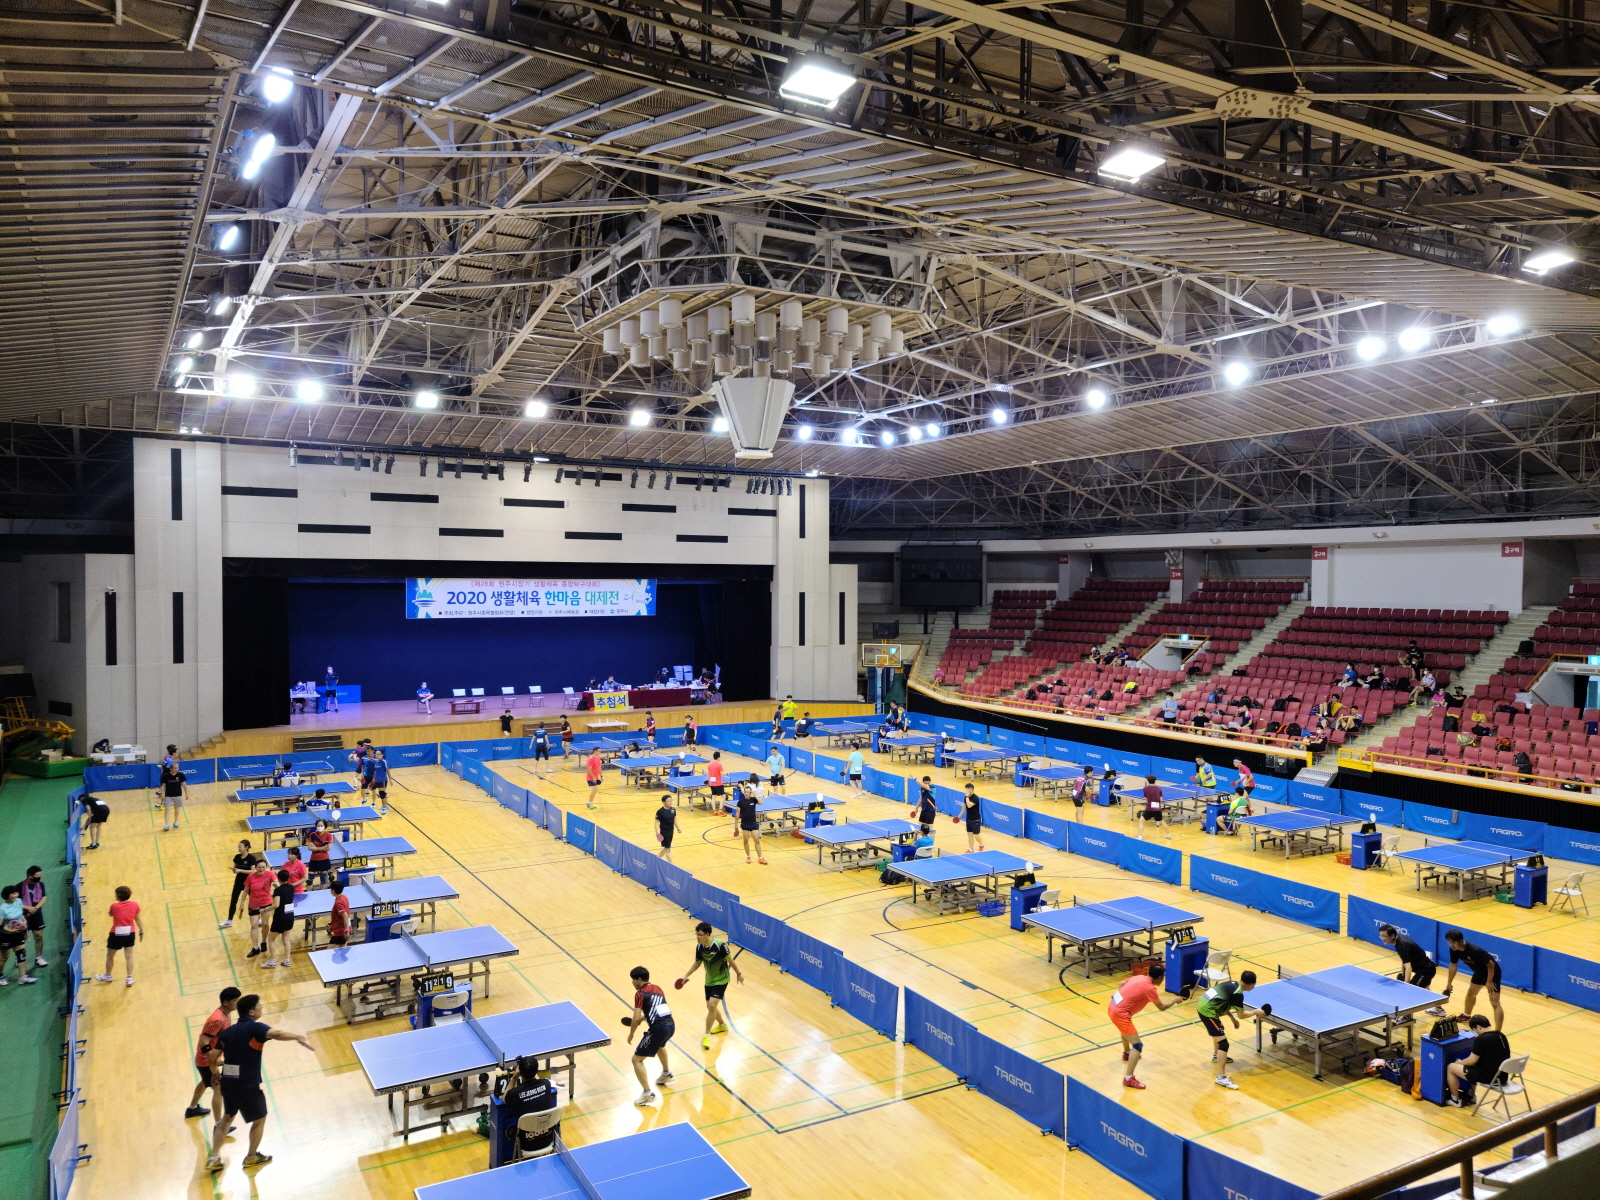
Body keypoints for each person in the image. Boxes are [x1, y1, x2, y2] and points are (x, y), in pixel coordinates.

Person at [205, 993, 314, 1172]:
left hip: (229, 1081)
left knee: (227, 1118)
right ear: (251, 1012)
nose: (261, 1009)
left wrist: (214, 1073)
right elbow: (277, 1034)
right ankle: (251, 1157)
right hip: (247, 1083)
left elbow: (212, 1058)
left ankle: (214, 1157)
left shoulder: (227, 1032)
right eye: (259, 1007)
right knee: (259, 1120)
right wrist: (297, 1037)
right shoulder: (255, 1028)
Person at [1108, 963, 1185, 1089]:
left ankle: (1127, 1053)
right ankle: (1128, 1079)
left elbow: (1121, 984)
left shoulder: (1140, 977)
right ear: (1159, 978)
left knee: (1126, 1031)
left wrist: (1124, 999)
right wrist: (1174, 1000)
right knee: (1137, 1045)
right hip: (1120, 1014)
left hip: (1112, 1007)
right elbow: (1161, 1007)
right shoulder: (1150, 988)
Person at [681, 921, 744, 1049]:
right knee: (710, 1007)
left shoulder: (720, 946)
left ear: (708, 934)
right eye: (696, 934)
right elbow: (697, 963)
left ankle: (706, 1036)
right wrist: (686, 975)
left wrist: (739, 973)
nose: (698, 937)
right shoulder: (699, 948)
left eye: (700, 934)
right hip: (709, 980)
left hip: (722, 979)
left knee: (711, 1005)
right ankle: (722, 1025)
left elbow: (730, 960)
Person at [1196, 970, 1259, 1090]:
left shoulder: (1232, 984)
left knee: (1219, 1032)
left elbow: (1223, 1001)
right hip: (1207, 1012)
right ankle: (1221, 1077)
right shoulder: (1238, 994)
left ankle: (1216, 1056)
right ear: (1251, 985)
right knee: (1223, 1044)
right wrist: (1255, 1012)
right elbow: (1242, 1015)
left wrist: (1231, 1017)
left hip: (1204, 1004)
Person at [185, 987, 241, 1119]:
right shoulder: (217, 1019)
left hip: (212, 1059)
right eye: (235, 1001)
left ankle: (192, 1109)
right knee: (219, 1090)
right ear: (226, 1003)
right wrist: (213, 1061)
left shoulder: (227, 1014)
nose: (238, 1003)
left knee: (205, 1082)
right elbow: (203, 1041)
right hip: (206, 1062)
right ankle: (218, 1125)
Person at [625, 966, 675, 1107]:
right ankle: (666, 1074)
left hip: (658, 1029)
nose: (632, 983)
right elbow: (658, 1010)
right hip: (670, 1026)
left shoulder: (640, 994)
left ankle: (647, 1094)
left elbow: (635, 1018)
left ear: (639, 979)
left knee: (636, 1060)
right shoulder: (657, 988)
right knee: (660, 1046)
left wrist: (631, 1033)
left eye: (633, 980)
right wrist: (643, 1019)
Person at [499, 1057, 562, 1157]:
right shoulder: (546, 1084)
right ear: (536, 1071)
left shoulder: (515, 1093)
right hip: (548, 1139)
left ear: (520, 1072)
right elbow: (537, 1081)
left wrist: (515, 1077)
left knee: (509, 1128)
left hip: (526, 1144)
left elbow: (505, 1098)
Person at [1378, 924, 1447, 1014]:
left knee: (1411, 993)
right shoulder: (1398, 940)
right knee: (1426, 990)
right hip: (1424, 968)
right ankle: (1439, 1009)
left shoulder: (1402, 945)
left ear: (1392, 936)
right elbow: (1405, 958)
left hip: (1426, 970)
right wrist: (1403, 972)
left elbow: (1409, 968)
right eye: (1381, 936)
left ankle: (1406, 1016)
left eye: (1384, 936)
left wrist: (1406, 985)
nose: (1382, 938)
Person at [1443, 930, 1504, 1029]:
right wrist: (1449, 983)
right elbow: (1453, 965)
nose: (1451, 944)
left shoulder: (1474, 950)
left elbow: (1491, 965)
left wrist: (1489, 982)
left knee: (1495, 1003)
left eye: (1453, 942)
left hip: (1492, 974)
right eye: (1449, 942)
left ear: (1461, 941)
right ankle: (1466, 1016)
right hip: (1479, 973)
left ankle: (1498, 1031)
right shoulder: (1454, 950)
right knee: (1471, 994)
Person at [1447, 1015, 1512, 1107]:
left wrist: (1460, 1062)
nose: (1475, 1033)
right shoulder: (1501, 1035)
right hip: (1502, 1077)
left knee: (1451, 1067)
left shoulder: (1481, 1039)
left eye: (1474, 1030)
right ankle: (1471, 1095)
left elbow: (1471, 1061)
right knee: (1476, 1065)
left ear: (1478, 1027)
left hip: (1490, 1078)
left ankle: (1455, 1100)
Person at [96, 884, 143, 986]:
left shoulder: (114, 906)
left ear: (118, 896)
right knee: (129, 956)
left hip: (116, 934)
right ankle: (129, 978)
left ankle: (108, 975)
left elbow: (110, 914)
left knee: (110, 956)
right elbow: (138, 919)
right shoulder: (135, 904)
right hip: (130, 933)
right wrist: (141, 930)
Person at [0, 885, 35, 986]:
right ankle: (0, 976)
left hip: (18, 933)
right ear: (7, 895)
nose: (15, 895)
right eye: (13, 893)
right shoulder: (2, 908)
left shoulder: (18, 901)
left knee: (21, 954)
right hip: (6, 935)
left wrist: (24, 923)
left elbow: (20, 914)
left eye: (16, 893)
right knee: (4, 957)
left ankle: (22, 977)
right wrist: (9, 930)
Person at [263, 869, 297, 969]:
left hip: (280, 917)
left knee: (271, 939)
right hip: (290, 916)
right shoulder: (291, 887)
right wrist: (278, 887)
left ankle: (272, 961)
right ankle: (287, 960)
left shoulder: (277, 891)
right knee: (286, 938)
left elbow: (276, 905)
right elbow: (284, 891)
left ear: (278, 878)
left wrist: (265, 910)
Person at [244, 858, 275, 960]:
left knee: (265, 924)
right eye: (259, 867)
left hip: (266, 903)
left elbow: (276, 882)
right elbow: (246, 890)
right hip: (253, 903)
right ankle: (255, 947)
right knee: (254, 925)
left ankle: (263, 942)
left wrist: (279, 887)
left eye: (263, 867)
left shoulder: (270, 874)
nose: (261, 869)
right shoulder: (251, 876)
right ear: (255, 867)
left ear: (266, 867)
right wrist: (241, 904)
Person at [18, 865, 48, 969]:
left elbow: (44, 898)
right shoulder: (19, 887)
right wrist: (28, 908)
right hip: (23, 916)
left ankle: (39, 957)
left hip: (36, 914)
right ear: (30, 876)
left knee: (39, 936)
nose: (39, 878)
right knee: (22, 938)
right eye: (37, 876)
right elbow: (16, 903)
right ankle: (19, 959)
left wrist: (35, 908)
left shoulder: (40, 885)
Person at [735, 783, 766, 865]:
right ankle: (748, 856)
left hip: (753, 823)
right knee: (746, 841)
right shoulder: (740, 802)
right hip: (745, 824)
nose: (746, 793)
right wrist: (736, 826)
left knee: (757, 841)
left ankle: (760, 858)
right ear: (744, 792)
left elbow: (761, 803)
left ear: (750, 792)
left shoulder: (753, 800)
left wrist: (755, 794)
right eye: (745, 792)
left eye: (748, 792)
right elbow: (737, 814)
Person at [304, 820, 334, 889]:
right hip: (314, 859)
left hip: (324, 859)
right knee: (310, 880)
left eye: (321, 825)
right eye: (318, 826)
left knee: (323, 879)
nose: (319, 827)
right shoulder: (312, 835)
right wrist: (323, 848)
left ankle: (322, 893)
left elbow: (328, 848)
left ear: (325, 826)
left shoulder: (328, 835)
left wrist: (316, 848)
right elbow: (310, 848)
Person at [1137, 775, 1168, 841]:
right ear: (1155, 781)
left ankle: (1140, 836)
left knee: (1141, 821)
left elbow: (1146, 799)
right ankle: (1168, 834)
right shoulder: (1159, 788)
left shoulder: (1145, 788)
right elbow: (1160, 799)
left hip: (1149, 808)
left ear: (1148, 781)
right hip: (1157, 808)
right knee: (1161, 821)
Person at [159, 765, 188, 832]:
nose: (176, 769)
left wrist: (186, 793)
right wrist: (162, 795)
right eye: (175, 768)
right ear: (171, 769)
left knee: (177, 809)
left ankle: (175, 822)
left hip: (178, 795)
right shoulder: (166, 776)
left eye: (177, 768)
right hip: (168, 795)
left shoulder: (180, 775)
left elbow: (184, 784)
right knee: (167, 809)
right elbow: (163, 786)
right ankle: (166, 824)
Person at [326, 881, 351, 946]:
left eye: (331, 889)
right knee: (342, 951)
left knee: (330, 951)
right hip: (344, 929)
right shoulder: (344, 897)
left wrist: (346, 931)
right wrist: (333, 925)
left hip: (341, 932)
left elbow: (345, 916)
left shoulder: (338, 902)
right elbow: (339, 916)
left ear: (333, 890)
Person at [960, 782, 984, 851]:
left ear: (970, 790)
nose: (965, 791)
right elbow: (964, 807)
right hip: (969, 819)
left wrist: (967, 797)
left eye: (966, 789)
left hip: (975, 819)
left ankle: (981, 845)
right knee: (969, 835)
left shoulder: (975, 798)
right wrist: (960, 815)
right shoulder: (966, 798)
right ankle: (971, 849)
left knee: (976, 835)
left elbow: (969, 805)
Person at [655, 796, 676, 862]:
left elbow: (675, 819)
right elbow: (656, 822)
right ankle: (671, 865)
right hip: (664, 832)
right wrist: (657, 832)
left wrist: (678, 828)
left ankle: (657, 858)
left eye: (671, 801)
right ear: (664, 802)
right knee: (668, 849)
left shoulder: (673, 809)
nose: (670, 802)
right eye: (668, 801)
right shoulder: (660, 811)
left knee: (666, 847)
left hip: (671, 831)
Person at [584, 745, 603, 810]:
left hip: (596, 777)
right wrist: (593, 777)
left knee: (595, 790)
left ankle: (589, 802)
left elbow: (599, 767)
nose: (600, 752)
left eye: (600, 751)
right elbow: (589, 769)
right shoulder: (591, 759)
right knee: (594, 790)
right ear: (595, 751)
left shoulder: (598, 758)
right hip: (590, 777)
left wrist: (601, 776)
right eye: (599, 751)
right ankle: (589, 803)